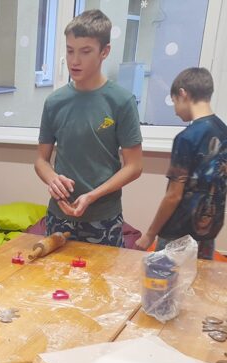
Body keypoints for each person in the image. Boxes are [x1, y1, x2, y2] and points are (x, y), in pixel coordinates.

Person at [34, 9, 143, 247]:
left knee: (103, 273)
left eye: (85, 52)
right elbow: (41, 160)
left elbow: (134, 166)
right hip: (59, 215)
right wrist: (52, 178)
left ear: (105, 52)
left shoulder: (121, 101)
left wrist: (92, 196)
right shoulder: (54, 102)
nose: (74, 60)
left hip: (103, 216)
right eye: (69, 50)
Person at [135, 68, 227, 259]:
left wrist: (150, 234)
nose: (175, 112)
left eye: (174, 102)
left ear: (183, 94)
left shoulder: (187, 138)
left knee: (165, 278)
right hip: (208, 232)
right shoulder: (223, 131)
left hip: (177, 235)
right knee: (199, 277)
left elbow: (173, 196)